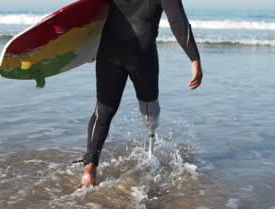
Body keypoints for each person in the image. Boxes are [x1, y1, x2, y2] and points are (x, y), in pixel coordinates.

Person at [81, 0, 203, 186]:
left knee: (103, 111)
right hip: (142, 56)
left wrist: (87, 47)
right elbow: (178, 21)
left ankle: (89, 169)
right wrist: (194, 59)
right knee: (149, 106)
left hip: (108, 53)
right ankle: (150, 150)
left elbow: (90, 13)